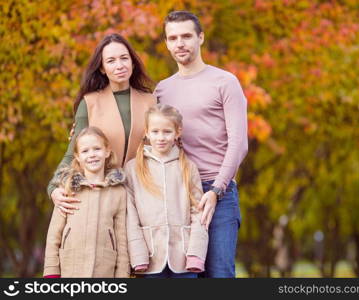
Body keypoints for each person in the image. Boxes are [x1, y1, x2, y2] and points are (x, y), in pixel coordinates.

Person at [154, 11, 248, 278]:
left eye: (186, 36)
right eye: (173, 38)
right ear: (166, 43)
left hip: (217, 193)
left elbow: (239, 144)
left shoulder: (225, 82)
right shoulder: (161, 90)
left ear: (201, 38)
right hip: (176, 194)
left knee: (219, 274)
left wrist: (216, 190)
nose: (179, 43)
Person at [47, 33, 156, 215]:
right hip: (101, 196)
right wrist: (53, 188)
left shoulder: (151, 102)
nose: (119, 65)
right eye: (111, 61)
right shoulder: (89, 103)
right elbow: (73, 152)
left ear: (133, 62)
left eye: (124, 58)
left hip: (143, 196)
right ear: (103, 68)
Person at [124, 104, 208, 278]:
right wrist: (138, 254)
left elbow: (198, 213)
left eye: (167, 132)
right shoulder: (133, 168)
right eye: (155, 132)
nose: (160, 137)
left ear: (177, 132)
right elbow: (130, 216)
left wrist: (195, 254)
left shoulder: (188, 167)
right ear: (146, 132)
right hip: (150, 258)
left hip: (183, 259)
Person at [43, 127, 130, 278]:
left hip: (104, 270)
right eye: (85, 151)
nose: (92, 155)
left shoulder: (118, 192)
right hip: (70, 268)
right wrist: (51, 271)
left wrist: (122, 274)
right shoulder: (68, 188)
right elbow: (54, 234)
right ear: (77, 156)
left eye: (97, 149)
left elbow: (122, 239)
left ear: (107, 151)